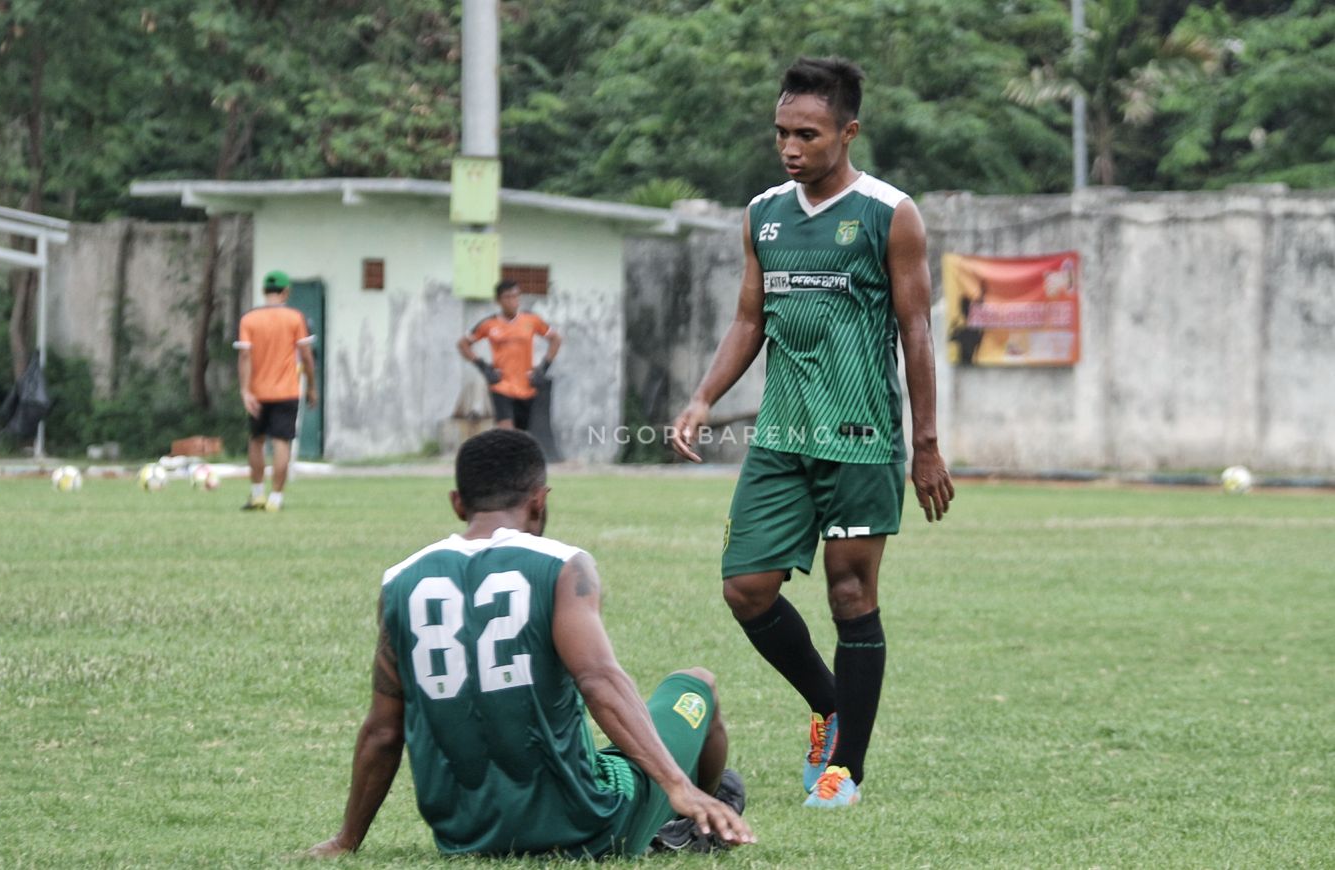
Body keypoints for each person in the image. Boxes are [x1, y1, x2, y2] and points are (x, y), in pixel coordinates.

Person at [670, 57, 955, 809]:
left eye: (808, 133)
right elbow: (748, 319)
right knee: (745, 589)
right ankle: (831, 706)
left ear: (848, 132)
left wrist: (925, 444)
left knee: (851, 596)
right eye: (781, 133)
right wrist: (702, 397)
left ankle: (844, 770)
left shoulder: (890, 213)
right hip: (781, 438)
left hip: (860, 437)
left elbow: (916, 330)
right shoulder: (764, 212)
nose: (791, 147)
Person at [306, 429, 754, 859]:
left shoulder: (399, 581)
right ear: (539, 500)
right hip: (589, 827)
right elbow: (599, 680)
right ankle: (701, 819)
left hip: (465, 834)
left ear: (458, 503)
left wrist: (347, 839)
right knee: (697, 685)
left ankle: (688, 809)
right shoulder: (562, 565)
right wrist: (678, 785)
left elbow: (383, 730)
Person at [235, 269, 317, 513]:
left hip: (258, 393)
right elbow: (305, 355)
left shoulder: (249, 320)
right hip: (287, 391)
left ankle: (257, 494)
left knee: (256, 441)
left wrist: (245, 390)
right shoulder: (295, 318)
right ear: (286, 292)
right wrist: (312, 386)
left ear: (263, 291)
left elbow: (244, 355)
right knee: (282, 443)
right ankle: (276, 499)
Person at [456, 279, 561, 431]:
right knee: (506, 431)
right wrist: (484, 367)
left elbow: (556, 339)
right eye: (508, 297)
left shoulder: (531, 320)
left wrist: (544, 368)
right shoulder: (489, 324)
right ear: (498, 300)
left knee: (521, 436)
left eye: (516, 296)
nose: (513, 301)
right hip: (501, 385)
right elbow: (463, 344)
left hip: (526, 386)